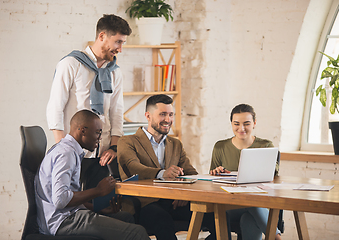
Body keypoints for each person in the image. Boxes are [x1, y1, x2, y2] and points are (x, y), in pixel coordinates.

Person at [35, 109, 149, 239]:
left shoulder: (69, 150)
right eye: (97, 133)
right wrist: (98, 191)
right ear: (82, 130)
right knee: (137, 233)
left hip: (67, 215)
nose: (100, 138)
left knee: (126, 217)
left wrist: (96, 208)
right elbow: (61, 199)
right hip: (63, 222)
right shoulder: (66, 154)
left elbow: (67, 200)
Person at [117, 94, 217, 240]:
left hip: (174, 201)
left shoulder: (175, 144)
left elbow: (191, 173)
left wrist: (185, 193)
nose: (168, 120)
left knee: (216, 216)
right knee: (163, 221)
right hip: (144, 203)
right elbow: (133, 167)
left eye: (171, 115)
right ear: (148, 116)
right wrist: (162, 173)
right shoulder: (127, 141)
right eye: (162, 114)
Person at [46, 14, 132, 166]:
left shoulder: (115, 72)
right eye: (118, 42)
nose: (120, 49)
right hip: (73, 153)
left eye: (122, 43)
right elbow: (55, 107)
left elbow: (117, 112)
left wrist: (114, 147)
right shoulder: (70, 64)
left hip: (104, 157)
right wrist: (63, 150)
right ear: (102, 36)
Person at [209, 103, 282, 240]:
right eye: (236, 124)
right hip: (228, 206)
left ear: (254, 123)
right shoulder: (220, 147)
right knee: (253, 206)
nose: (241, 128)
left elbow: (274, 176)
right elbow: (211, 180)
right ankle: (277, 238)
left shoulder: (265, 146)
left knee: (250, 215)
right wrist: (216, 172)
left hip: (257, 203)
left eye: (246, 124)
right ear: (231, 123)